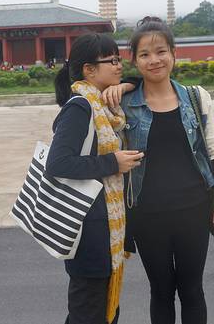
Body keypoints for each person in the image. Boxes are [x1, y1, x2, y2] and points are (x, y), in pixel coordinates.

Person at [103, 16, 214, 324]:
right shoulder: (123, 104)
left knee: (192, 290)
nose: (154, 60)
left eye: (161, 51)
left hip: (194, 210)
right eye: (145, 54)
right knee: (161, 291)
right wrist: (123, 86)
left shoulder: (196, 97)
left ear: (174, 53)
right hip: (147, 216)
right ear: (134, 60)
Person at [46, 33, 144, 324]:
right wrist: (112, 162)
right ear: (89, 70)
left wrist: (126, 85)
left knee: (102, 311)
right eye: (111, 61)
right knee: (88, 313)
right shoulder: (80, 108)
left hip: (104, 229)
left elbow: (142, 82)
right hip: (89, 233)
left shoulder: (105, 106)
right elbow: (58, 163)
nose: (119, 66)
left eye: (119, 59)